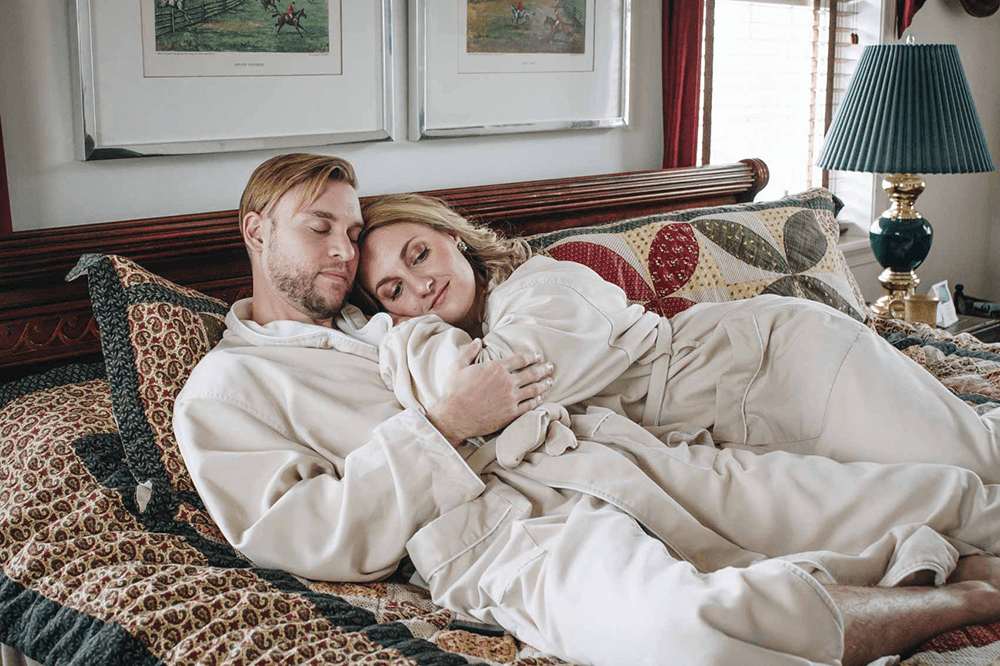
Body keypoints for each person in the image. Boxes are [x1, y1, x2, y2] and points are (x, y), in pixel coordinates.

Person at [175, 154, 1000, 666]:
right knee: (688, 635)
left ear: (455, 240)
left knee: (932, 484)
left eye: (354, 233)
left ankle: (928, 551)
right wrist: (443, 428)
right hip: (510, 534)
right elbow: (299, 534)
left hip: (606, 453)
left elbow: (520, 371)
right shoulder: (224, 392)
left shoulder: (400, 323)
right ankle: (960, 597)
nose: (344, 252)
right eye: (322, 229)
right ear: (255, 231)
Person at [356, 193, 1000, 483]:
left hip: (786, 363)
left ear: (455, 239)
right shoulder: (477, 329)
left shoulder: (538, 287)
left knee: (978, 464)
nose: (419, 288)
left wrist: (391, 335)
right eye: (391, 293)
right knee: (936, 491)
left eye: (419, 254)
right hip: (742, 418)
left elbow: (501, 392)